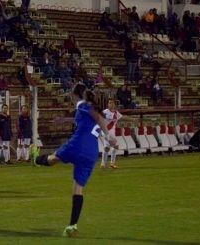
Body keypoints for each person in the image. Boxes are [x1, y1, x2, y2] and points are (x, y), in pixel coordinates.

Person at [30, 83, 117, 237]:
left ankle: (35, 158)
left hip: (77, 145)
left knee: (52, 159)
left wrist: (108, 135)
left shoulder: (84, 104)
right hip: (91, 153)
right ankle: (72, 226)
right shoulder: (87, 109)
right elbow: (92, 119)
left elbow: (94, 115)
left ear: (74, 95)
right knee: (78, 189)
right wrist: (65, 120)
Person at [101, 99, 136, 169]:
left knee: (106, 148)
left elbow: (123, 117)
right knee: (116, 146)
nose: (110, 104)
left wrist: (132, 119)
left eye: (111, 103)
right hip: (106, 132)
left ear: (114, 104)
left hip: (111, 133)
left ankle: (103, 164)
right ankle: (112, 163)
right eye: (109, 103)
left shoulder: (116, 113)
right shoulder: (105, 112)